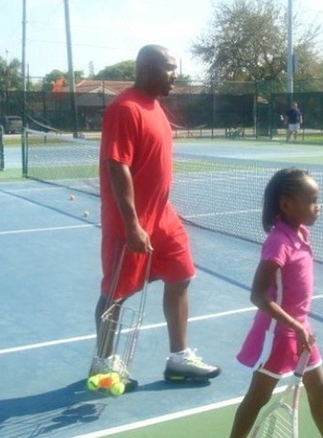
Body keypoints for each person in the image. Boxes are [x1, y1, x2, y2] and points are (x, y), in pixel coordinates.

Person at [91, 44, 221, 390]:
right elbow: (117, 165)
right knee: (116, 294)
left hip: (164, 217)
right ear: (147, 69)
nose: (174, 75)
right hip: (130, 221)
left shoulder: (156, 108)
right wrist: (132, 224)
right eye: (169, 68)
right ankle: (103, 363)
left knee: (181, 275)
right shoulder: (125, 108)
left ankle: (178, 358)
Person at [230, 168, 323, 438]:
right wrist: (294, 325)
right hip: (278, 333)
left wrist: (300, 327)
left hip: (300, 329)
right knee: (257, 397)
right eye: (312, 200)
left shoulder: (300, 235)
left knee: (320, 390)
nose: (318, 207)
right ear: (286, 204)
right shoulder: (278, 243)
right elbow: (258, 295)